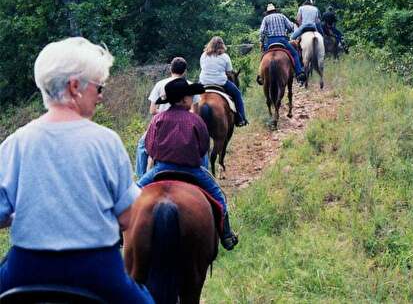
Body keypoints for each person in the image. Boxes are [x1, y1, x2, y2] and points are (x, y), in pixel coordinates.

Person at [0, 37, 153, 303]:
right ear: (74, 87)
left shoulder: (15, 143)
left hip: (27, 267)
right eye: (99, 87)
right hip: (96, 268)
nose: (101, 96)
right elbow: (128, 218)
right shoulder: (106, 141)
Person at [137, 78, 238, 251]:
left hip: (161, 168)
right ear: (184, 100)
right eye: (190, 96)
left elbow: (150, 146)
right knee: (219, 198)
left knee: (134, 192)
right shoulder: (195, 120)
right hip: (191, 170)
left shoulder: (158, 119)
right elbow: (203, 147)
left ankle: (119, 232)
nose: (192, 99)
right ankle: (226, 235)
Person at [135, 57, 207, 178]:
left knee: (142, 145)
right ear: (185, 71)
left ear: (170, 68)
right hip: (188, 129)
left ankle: (140, 175)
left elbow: (152, 110)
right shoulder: (189, 86)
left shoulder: (160, 85)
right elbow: (195, 113)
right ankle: (204, 171)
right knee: (204, 153)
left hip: (162, 128)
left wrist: (164, 114)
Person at [199, 36, 248, 126]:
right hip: (220, 82)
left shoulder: (203, 55)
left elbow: (202, 67)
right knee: (237, 94)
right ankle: (241, 118)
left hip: (203, 82)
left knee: (192, 96)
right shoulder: (225, 56)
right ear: (222, 45)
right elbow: (229, 72)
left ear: (210, 44)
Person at [259, 3, 306, 83]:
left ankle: (260, 76)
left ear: (268, 12)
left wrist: (262, 41)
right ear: (275, 10)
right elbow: (291, 27)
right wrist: (286, 31)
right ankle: (299, 73)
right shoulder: (282, 16)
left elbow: (262, 31)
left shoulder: (266, 18)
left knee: (263, 56)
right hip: (282, 40)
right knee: (294, 54)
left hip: (271, 41)